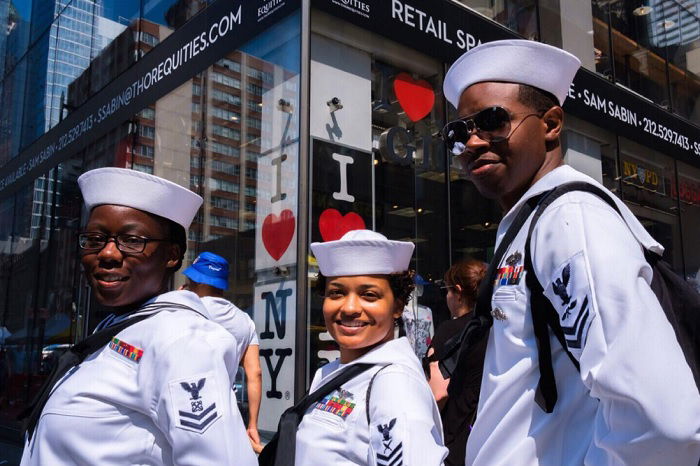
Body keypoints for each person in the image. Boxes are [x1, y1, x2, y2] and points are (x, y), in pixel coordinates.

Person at [441, 39, 700, 465]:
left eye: (491, 121)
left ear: (551, 123)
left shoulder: (570, 221)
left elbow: (662, 423)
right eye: (459, 131)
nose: (471, 143)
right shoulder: (534, 222)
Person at [20, 167, 256, 465]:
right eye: (95, 238)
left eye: (132, 241)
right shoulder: (114, 330)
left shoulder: (182, 341)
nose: (107, 253)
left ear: (172, 255)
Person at [294, 229, 448, 465]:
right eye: (336, 293)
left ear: (397, 307)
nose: (349, 308)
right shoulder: (333, 371)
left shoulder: (395, 383)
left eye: (369, 295)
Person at [181, 251, 263, 453]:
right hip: (228, 409)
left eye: (191, 279)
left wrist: (178, 298)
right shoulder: (245, 320)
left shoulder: (184, 308)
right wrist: (252, 424)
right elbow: (255, 374)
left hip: (186, 405)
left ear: (199, 281)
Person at [424, 260, 486, 466]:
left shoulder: (448, 331)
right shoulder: (494, 328)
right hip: (485, 433)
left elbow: (438, 393)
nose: (446, 297)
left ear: (458, 292)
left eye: (447, 290)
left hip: (454, 436)